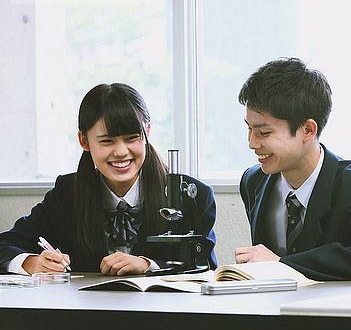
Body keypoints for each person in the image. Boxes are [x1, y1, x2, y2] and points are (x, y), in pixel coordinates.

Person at [0, 83, 217, 275]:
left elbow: (205, 266)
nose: (121, 152)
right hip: (83, 319)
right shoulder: (66, 194)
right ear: (84, 141)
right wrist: (31, 263)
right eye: (107, 141)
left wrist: (147, 264)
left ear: (147, 133)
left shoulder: (193, 195)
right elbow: (5, 245)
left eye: (131, 138)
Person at [235, 57, 351, 280]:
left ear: (307, 130)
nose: (252, 143)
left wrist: (281, 265)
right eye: (249, 129)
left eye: (264, 133)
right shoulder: (253, 181)